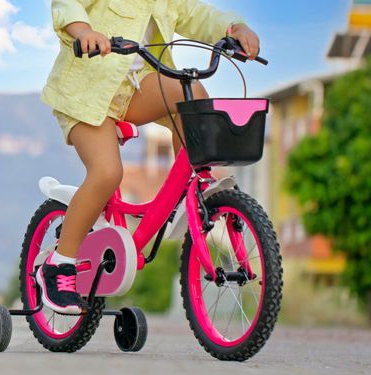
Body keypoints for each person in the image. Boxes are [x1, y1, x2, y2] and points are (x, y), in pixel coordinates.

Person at [36, 0, 261, 315]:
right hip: (86, 97)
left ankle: (196, 182)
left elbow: (198, 15)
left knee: (192, 93)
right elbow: (67, 3)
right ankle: (60, 264)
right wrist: (83, 30)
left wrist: (234, 28)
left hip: (133, 90)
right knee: (106, 173)